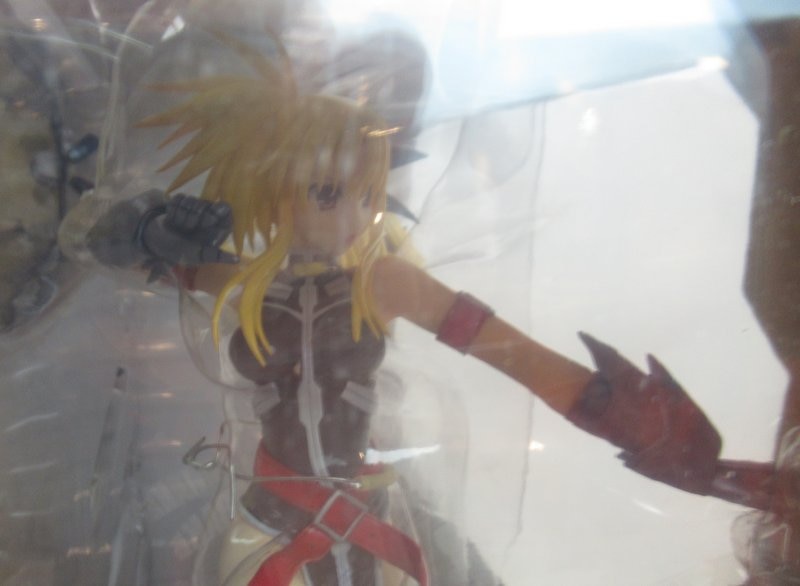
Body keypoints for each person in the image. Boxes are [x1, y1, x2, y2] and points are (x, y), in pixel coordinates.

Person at [82, 34, 731, 586]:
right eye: (328, 193)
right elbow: (101, 243)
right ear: (270, 187)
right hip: (268, 512)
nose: (355, 214)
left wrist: (636, 423)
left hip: (364, 513)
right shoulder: (244, 283)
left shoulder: (383, 282)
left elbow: (515, 356)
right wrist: (152, 232)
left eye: (367, 195)